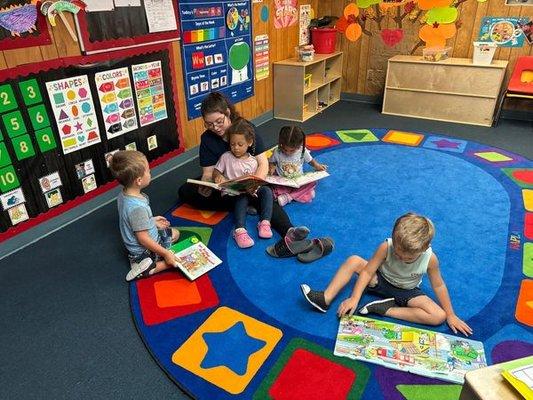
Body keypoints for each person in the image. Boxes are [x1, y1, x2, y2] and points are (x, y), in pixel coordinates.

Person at [178, 91, 311, 256]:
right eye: (209, 124)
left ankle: (289, 231)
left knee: (265, 194)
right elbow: (208, 172)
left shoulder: (246, 129)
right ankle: (247, 203)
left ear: (228, 112)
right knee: (185, 191)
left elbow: (262, 163)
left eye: (219, 121)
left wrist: (255, 183)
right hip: (228, 184)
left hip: (251, 180)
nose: (215, 128)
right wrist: (209, 184)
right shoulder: (207, 139)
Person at [300, 213, 473, 336]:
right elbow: (368, 271)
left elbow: (438, 285)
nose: (401, 257)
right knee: (354, 260)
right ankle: (325, 298)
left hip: (407, 292)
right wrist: (354, 298)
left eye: (408, 257)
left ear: (424, 248)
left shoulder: (431, 259)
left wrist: (450, 314)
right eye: (398, 253)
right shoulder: (386, 246)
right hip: (380, 280)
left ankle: (385, 309)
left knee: (438, 316)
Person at [110, 150, 180, 282]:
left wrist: (151, 221)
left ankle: (143, 261)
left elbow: (131, 221)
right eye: (148, 171)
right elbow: (143, 239)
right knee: (174, 260)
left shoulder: (124, 194)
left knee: (175, 233)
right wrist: (166, 254)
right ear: (139, 180)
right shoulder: (137, 208)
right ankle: (143, 266)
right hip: (144, 251)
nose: (150, 173)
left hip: (146, 240)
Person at [213, 118, 273, 248]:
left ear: (249, 143)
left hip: (250, 194)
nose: (236, 148)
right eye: (232, 144)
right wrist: (218, 177)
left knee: (267, 191)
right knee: (242, 195)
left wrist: (254, 186)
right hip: (232, 194)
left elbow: (255, 181)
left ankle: (265, 223)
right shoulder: (226, 157)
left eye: (240, 145)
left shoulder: (252, 161)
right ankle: (240, 230)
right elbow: (216, 172)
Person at [268, 125, 328, 206]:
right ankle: (301, 194)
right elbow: (272, 162)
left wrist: (317, 166)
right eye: (285, 149)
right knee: (272, 188)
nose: (287, 152)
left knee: (312, 182)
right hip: (283, 182)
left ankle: (289, 197)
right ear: (281, 143)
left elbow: (311, 161)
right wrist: (271, 167)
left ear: (299, 145)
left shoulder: (302, 151)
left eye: (291, 150)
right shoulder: (277, 152)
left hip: (298, 181)